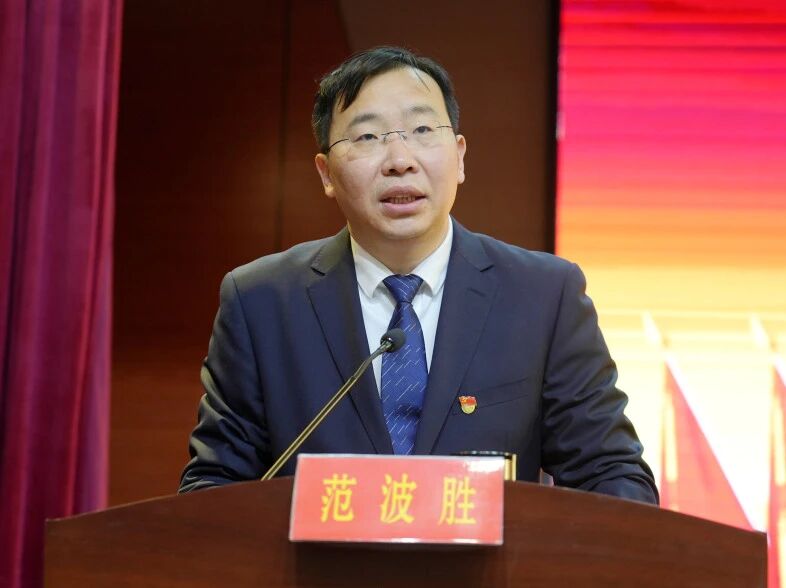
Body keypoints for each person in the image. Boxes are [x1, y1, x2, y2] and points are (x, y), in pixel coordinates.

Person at [179, 46, 658, 504]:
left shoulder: (544, 296)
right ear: (325, 173)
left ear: (460, 156)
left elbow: (612, 476)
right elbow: (213, 490)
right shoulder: (261, 302)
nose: (400, 160)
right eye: (367, 137)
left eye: (423, 129)